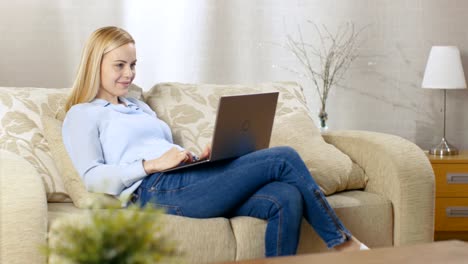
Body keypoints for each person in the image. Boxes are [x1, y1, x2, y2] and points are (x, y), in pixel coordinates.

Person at [62, 26, 369, 257]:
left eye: (133, 65)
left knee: (285, 196)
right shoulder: (82, 114)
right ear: (95, 63)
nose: (129, 74)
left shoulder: (139, 107)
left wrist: (197, 158)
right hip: (153, 189)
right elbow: (93, 178)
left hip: (184, 177)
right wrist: (150, 164)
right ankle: (343, 244)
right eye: (120, 65)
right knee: (283, 157)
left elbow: (162, 149)